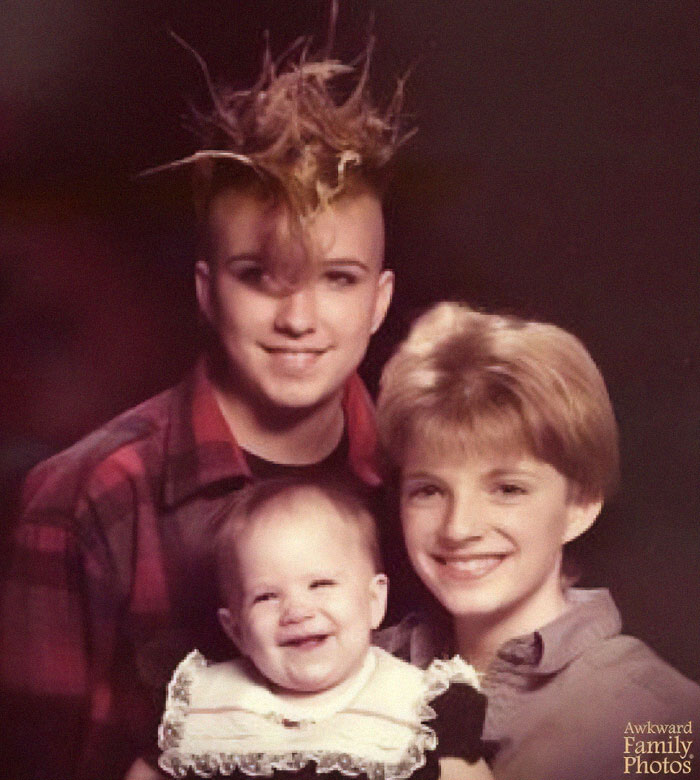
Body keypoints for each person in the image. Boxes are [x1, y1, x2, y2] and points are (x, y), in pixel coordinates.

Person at [0, 23, 411, 780]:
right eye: (260, 276)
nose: (300, 319)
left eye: (339, 279)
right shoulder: (81, 500)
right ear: (206, 290)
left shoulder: (422, 482)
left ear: (380, 301)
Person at [375, 302, 700, 780]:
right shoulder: (353, 665)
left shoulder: (660, 718)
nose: (458, 528)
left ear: (580, 505)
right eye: (428, 490)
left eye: (508, 489)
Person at [156, 476, 491, 780]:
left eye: (320, 584)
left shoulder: (422, 708)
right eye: (267, 596)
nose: (297, 611)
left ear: (373, 601)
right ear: (236, 630)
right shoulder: (201, 704)